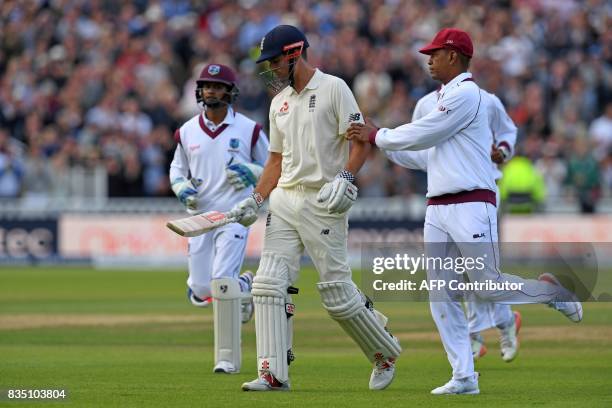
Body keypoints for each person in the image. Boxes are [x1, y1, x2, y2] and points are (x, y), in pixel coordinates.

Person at [348, 28, 582, 395]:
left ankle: (553, 294)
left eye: (435, 53)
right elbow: (421, 153)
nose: (428, 59)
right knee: (441, 294)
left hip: (473, 202)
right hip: (437, 206)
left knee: (486, 286)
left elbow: (424, 132)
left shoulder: (468, 95)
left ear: (453, 57)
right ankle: (464, 376)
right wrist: (379, 144)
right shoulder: (434, 101)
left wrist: (378, 135)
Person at [228, 25, 402, 392]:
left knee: (336, 293)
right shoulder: (278, 102)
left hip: (324, 200)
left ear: (294, 54)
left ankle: (384, 352)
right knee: (268, 283)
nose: (271, 68)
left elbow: (360, 142)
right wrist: (255, 200)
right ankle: (272, 374)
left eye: (275, 61)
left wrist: (346, 177)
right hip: (285, 200)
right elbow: (275, 162)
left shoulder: (335, 88)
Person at [391, 86, 522, 362]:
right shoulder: (426, 104)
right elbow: (419, 147)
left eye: (437, 55)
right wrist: (388, 146)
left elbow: (508, 130)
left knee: (475, 271)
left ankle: (494, 325)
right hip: (445, 195)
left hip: (481, 190)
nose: (430, 61)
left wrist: (503, 150)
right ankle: (494, 324)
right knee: (455, 273)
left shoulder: (486, 99)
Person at [169, 63, 269, 374]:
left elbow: (272, 167)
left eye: (217, 86)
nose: (211, 91)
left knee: (221, 283)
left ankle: (226, 359)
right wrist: (183, 188)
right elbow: (176, 170)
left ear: (230, 91)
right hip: (199, 218)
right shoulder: (186, 131)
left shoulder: (249, 129)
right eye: (206, 86)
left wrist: (251, 172)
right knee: (201, 289)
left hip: (234, 215)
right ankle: (246, 284)